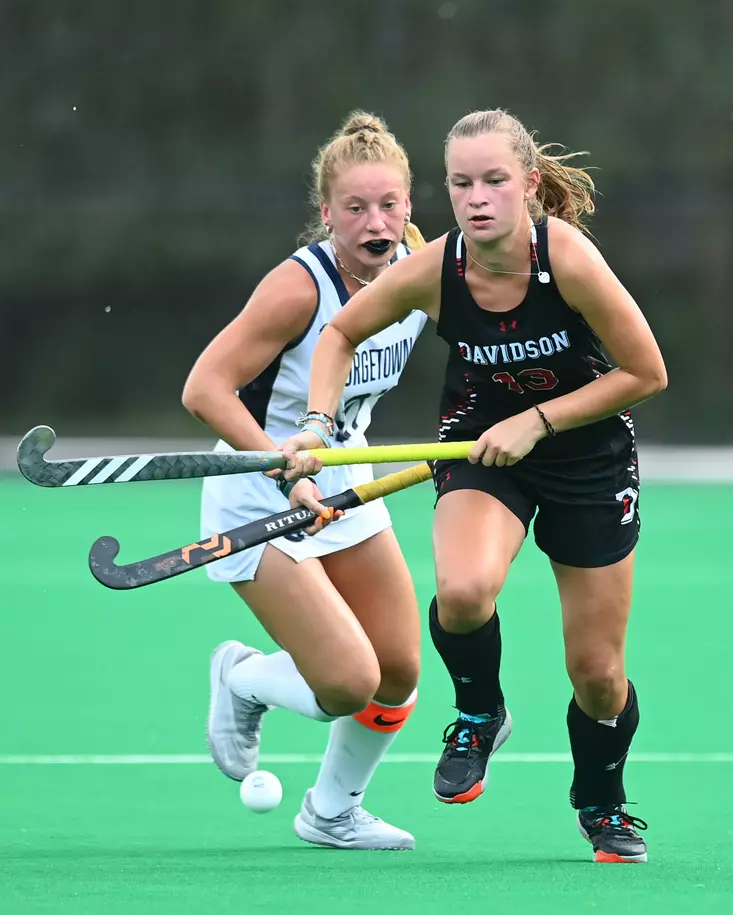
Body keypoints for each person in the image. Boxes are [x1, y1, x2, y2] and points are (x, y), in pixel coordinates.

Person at [285, 108, 668, 863]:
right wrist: (318, 425)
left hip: (586, 460)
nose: (476, 198)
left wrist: (541, 421)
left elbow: (644, 374)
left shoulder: (570, 262)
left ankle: (601, 803)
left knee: (596, 674)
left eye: (493, 180)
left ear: (526, 184)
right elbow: (338, 334)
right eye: (461, 183)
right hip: (476, 447)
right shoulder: (434, 268)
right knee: (461, 592)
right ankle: (478, 712)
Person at [181, 111, 428, 850]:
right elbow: (205, 389)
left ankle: (330, 813)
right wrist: (281, 468)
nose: (372, 221)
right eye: (354, 208)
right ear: (326, 213)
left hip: (346, 484)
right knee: (347, 684)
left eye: (388, 205)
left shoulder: (420, 264)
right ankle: (243, 678)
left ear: (411, 207)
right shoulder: (298, 289)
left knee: (398, 673)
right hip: (259, 496)